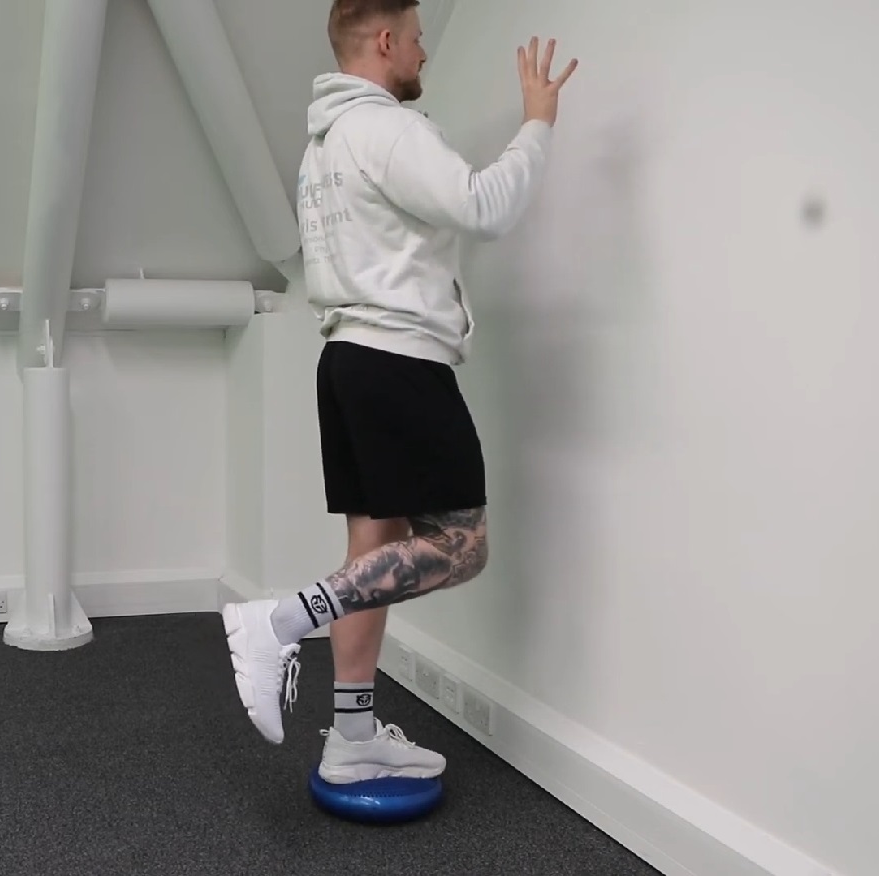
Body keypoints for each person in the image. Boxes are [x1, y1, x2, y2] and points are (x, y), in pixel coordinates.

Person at [221, 0, 577, 784]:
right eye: (417, 40)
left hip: (348, 362)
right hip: (400, 363)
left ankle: (351, 737)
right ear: (386, 41)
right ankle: (278, 621)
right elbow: (484, 205)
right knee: (463, 546)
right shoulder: (387, 129)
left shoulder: (325, 144)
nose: (424, 54)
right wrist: (538, 124)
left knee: (373, 550)